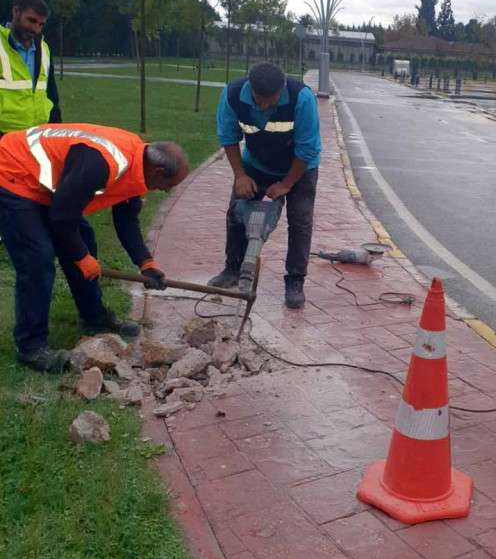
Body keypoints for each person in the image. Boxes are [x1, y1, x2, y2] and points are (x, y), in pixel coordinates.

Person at [0, 123, 190, 372]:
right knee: (37, 259)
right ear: (158, 170)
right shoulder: (102, 163)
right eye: (169, 185)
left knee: (84, 240)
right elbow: (61, 218)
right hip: (12, 170)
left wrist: (146, 263)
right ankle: (31, 346)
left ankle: (93, 318)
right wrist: (80, 257)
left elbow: (126, 220)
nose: (166, 190)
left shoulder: (136, 164)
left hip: (46, 185)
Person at [208, 62, 321, 309]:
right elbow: (228, 137)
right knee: (236, 213)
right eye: (259, 100)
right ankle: (232, 269)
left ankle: (295, 281)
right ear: (251, 88)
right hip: (256, 164)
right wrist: (240, 175)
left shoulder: (302, 98)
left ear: (281, 89)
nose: (264, 106)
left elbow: (308, 148)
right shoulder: (232, 95)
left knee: (300, 220)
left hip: (300, 168)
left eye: (271, 100)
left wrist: (286, 184)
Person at [0, 0, 61, 136]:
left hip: (38, 137)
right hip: (5, 140)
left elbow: (51, 96)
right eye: (31, 20)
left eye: (41, 24)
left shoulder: (44, 49)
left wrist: (57, 134)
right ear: (16, 12)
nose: (36, 29)